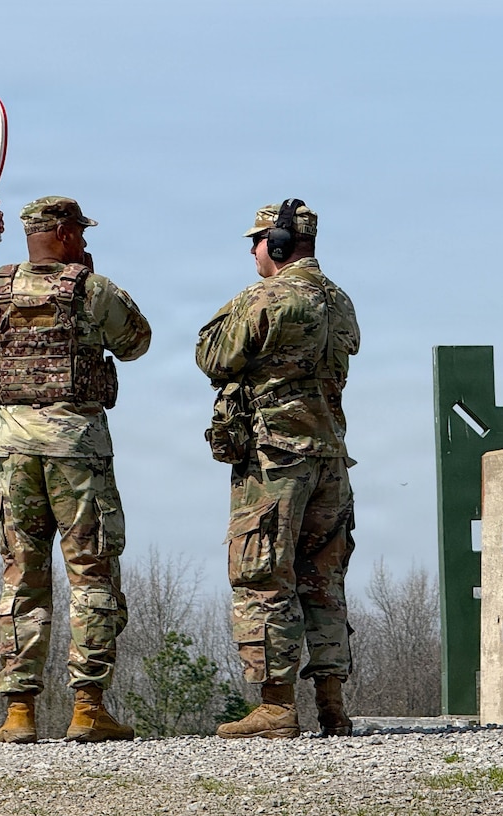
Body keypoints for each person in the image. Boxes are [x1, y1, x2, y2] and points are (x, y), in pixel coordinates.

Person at [0, 195, 152, 743]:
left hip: (14, 451)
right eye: (79, 233)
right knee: (92, 573)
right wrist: (91, 281)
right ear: (60, 234)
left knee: (23, 574)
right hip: (77, 451)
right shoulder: (91, 290)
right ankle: (88, 708)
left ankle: (19, 713)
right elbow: (137, 342)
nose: (84, 242)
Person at [195, 199, 360, 739]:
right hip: (330, 458)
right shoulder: (340, 300)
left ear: (279, 244)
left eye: (257, 241)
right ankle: (332, 705)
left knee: (262, 574)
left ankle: (276, 706)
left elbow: (213, 357)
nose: (252, 251)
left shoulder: (267, 297)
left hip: (276, 457)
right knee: (323, 579)